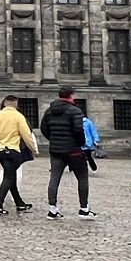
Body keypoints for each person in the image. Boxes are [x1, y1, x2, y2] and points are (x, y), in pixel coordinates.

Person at [40, 87, 95, 219]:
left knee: (54, 179)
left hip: (56, 150)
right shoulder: (75, 110)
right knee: (82, 178)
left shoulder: (49, 111)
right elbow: (78, 130)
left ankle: (52, 210)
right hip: (74, 151)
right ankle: (84, 209)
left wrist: (54, 139)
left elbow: (44, 129)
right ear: (71, 96)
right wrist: (81, 143)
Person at [0, 96, 37, 215]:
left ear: (4, 104)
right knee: (9, 177)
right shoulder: (18, 116)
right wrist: (34, 149)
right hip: (13, 150)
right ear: (16, 104)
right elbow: (26, 135)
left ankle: (19, 203)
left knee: (11, 176)